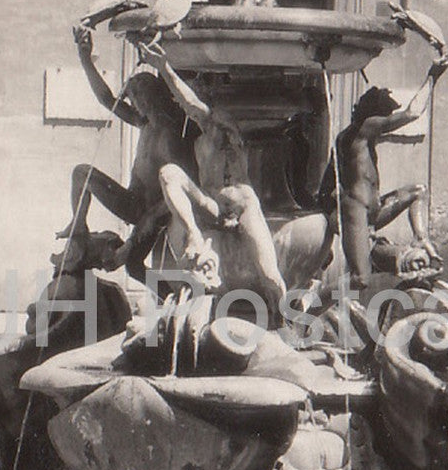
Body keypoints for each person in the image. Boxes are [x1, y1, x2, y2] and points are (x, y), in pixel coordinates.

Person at [142, 48, 291, 319]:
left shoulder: (220, 124)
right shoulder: (202, 134)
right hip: (209, 203)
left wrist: (164, 67)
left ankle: (284, 320)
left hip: (241, 204)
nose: (183, 100)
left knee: (270, 276)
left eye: (194, 89)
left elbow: (191, 104)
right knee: (169, 174)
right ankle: (193, 233)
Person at [58, 25, 197, 280]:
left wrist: (133, 241)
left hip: (153, 214)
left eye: (134, 100)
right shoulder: (143, 122)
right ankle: (78, 226)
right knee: (82, 174)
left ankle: (175, 303)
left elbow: (173, 195)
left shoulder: (169, 136)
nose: (131, 105)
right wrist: (85, 58)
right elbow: (105, 98)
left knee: (134, 267)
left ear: (148, 100)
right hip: (133, 204)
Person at [324, 50, 448, 289]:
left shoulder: (362, 137)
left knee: (417, 191)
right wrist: (433, 75)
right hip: (356, 213)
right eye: (387, 112)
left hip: (372, 212)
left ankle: (421, 238)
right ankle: (311, 310)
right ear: (375, 113)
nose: (390, 116)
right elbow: (413, 112)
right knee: (359, 279)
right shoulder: (364, 127)